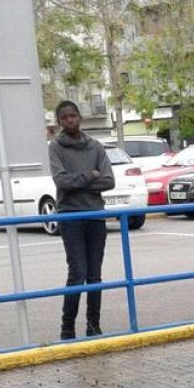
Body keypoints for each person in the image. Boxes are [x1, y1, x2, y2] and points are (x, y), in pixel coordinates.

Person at [49, 100, 114, 340]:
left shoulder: (95, 147)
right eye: (64, 117)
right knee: (77, 273)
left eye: (73, 116)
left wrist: (80, 183)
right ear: (59, 122)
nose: (69, 120)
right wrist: (89, 176)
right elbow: (61, 181)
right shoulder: (55, 148)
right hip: (71, 217)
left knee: (95, 275)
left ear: (80, 118)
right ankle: (67, 329)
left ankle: (93, 325)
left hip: (96, 216)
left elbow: (109, 181)